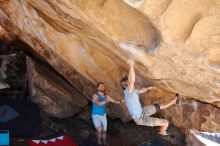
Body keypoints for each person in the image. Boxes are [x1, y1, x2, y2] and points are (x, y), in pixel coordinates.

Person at [120, 59, 178, 135]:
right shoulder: (128, 92)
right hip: (140, 119)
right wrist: (131, 65)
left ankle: (174, 101)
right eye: (128, 82)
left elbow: (141, 90)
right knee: (166, 123)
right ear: (126, 86)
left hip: (142, 111)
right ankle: (162, 132)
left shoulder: (133, 91)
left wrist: (149, 88)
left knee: (159, 106)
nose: (132, 84)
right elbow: (132, 81)